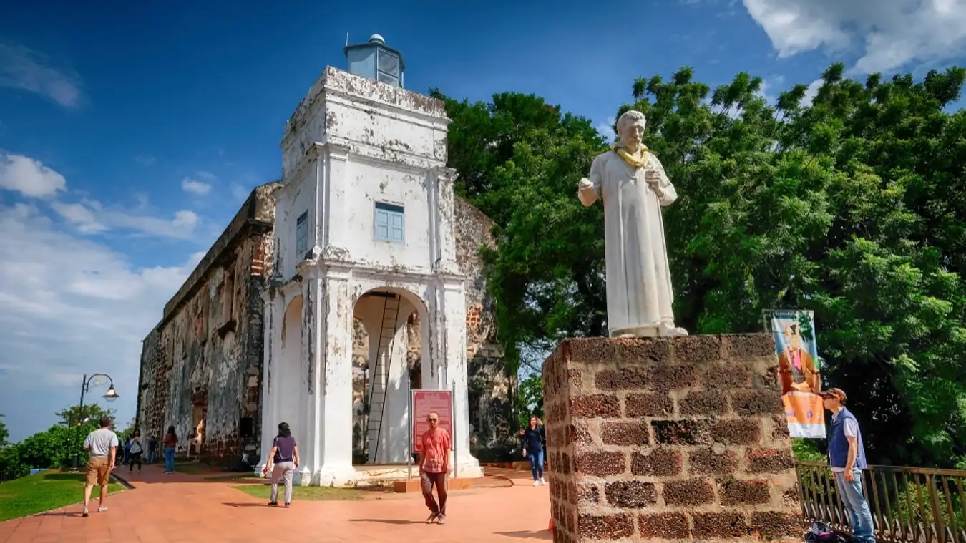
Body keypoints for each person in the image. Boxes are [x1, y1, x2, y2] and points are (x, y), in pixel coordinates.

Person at [577, 109, 686, 337]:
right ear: (620, 131)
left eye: (640, 129)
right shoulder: (604, 161)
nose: (637, 133)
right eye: (632, 129)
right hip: (621, 230)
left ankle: (664, 323)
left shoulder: (652, 160)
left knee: (655, 267)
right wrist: (586, 189)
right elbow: (589, 197)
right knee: (623, 269)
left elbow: (671, 195)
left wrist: (658, 187)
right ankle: (623, 327)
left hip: (650, 226)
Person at [821, 388, 876, 543]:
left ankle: (867, 538)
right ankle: (858, 535)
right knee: (849, 504)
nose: (824, 400)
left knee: (858, 503)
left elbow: (853, 445)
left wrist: (849, 468)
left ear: (837, 398)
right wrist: (834, 467)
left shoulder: (847, 418)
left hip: (848, 469)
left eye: (827, 397)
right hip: (840, 468)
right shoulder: (835, 418)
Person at [81, 416, 119, 518]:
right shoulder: (112, 434)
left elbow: (85, 446)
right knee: (103, 484)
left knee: (89, 484)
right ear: (109, 424)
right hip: (105, 460)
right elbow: (113, 449)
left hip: (93, 459)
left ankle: (85, 507)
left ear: (99, 424)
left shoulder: (92, 434)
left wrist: (92, 448)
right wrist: (113, 462)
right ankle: (101, 506)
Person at [419, 411, 450, 524]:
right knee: (426, 490)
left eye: (434, 420)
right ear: (427, 421)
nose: (432, 422)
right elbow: (423, 452)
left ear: (438, 421)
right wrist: (420, 465)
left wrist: (447, 464)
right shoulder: (424, 436)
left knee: (443, 492)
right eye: (430, 420)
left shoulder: (443, 433)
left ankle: (442, 514)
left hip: (441, 467)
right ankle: (434, 510)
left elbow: (447, 449)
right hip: (428, 468)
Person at [261, 422, 299, 507]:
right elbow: (296, 451)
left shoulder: (277, 439)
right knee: (288, 483)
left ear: (280, 430)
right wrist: (297, 461)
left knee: (275, 481)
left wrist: (268, 464)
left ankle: (274, 501)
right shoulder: (292, 439)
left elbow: (273, 451)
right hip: (290, 463)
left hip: (280, 463)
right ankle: (287, 502)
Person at [778, 323, 820, 394]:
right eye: (791, 336)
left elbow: (814, 372)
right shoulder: (783, 355)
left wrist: (811, 375)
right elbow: (779, 373)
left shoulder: (805, 355)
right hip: (789, 390)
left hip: (805, 388)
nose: (794, 339)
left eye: (796, 336)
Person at [521, 416, 546, 486]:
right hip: (531, 451)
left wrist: (542, 425)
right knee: (533, 465)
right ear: (530, 421)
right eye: (531, 420)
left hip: (539, 450)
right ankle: (536, 480)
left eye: (534, 420)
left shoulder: (539, 428)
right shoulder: (527, 430)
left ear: (536, 421)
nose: (533, 421)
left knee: (540, 465)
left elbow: (544, 433)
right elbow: (525, 440)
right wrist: (524, 448)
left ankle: (541, 477)